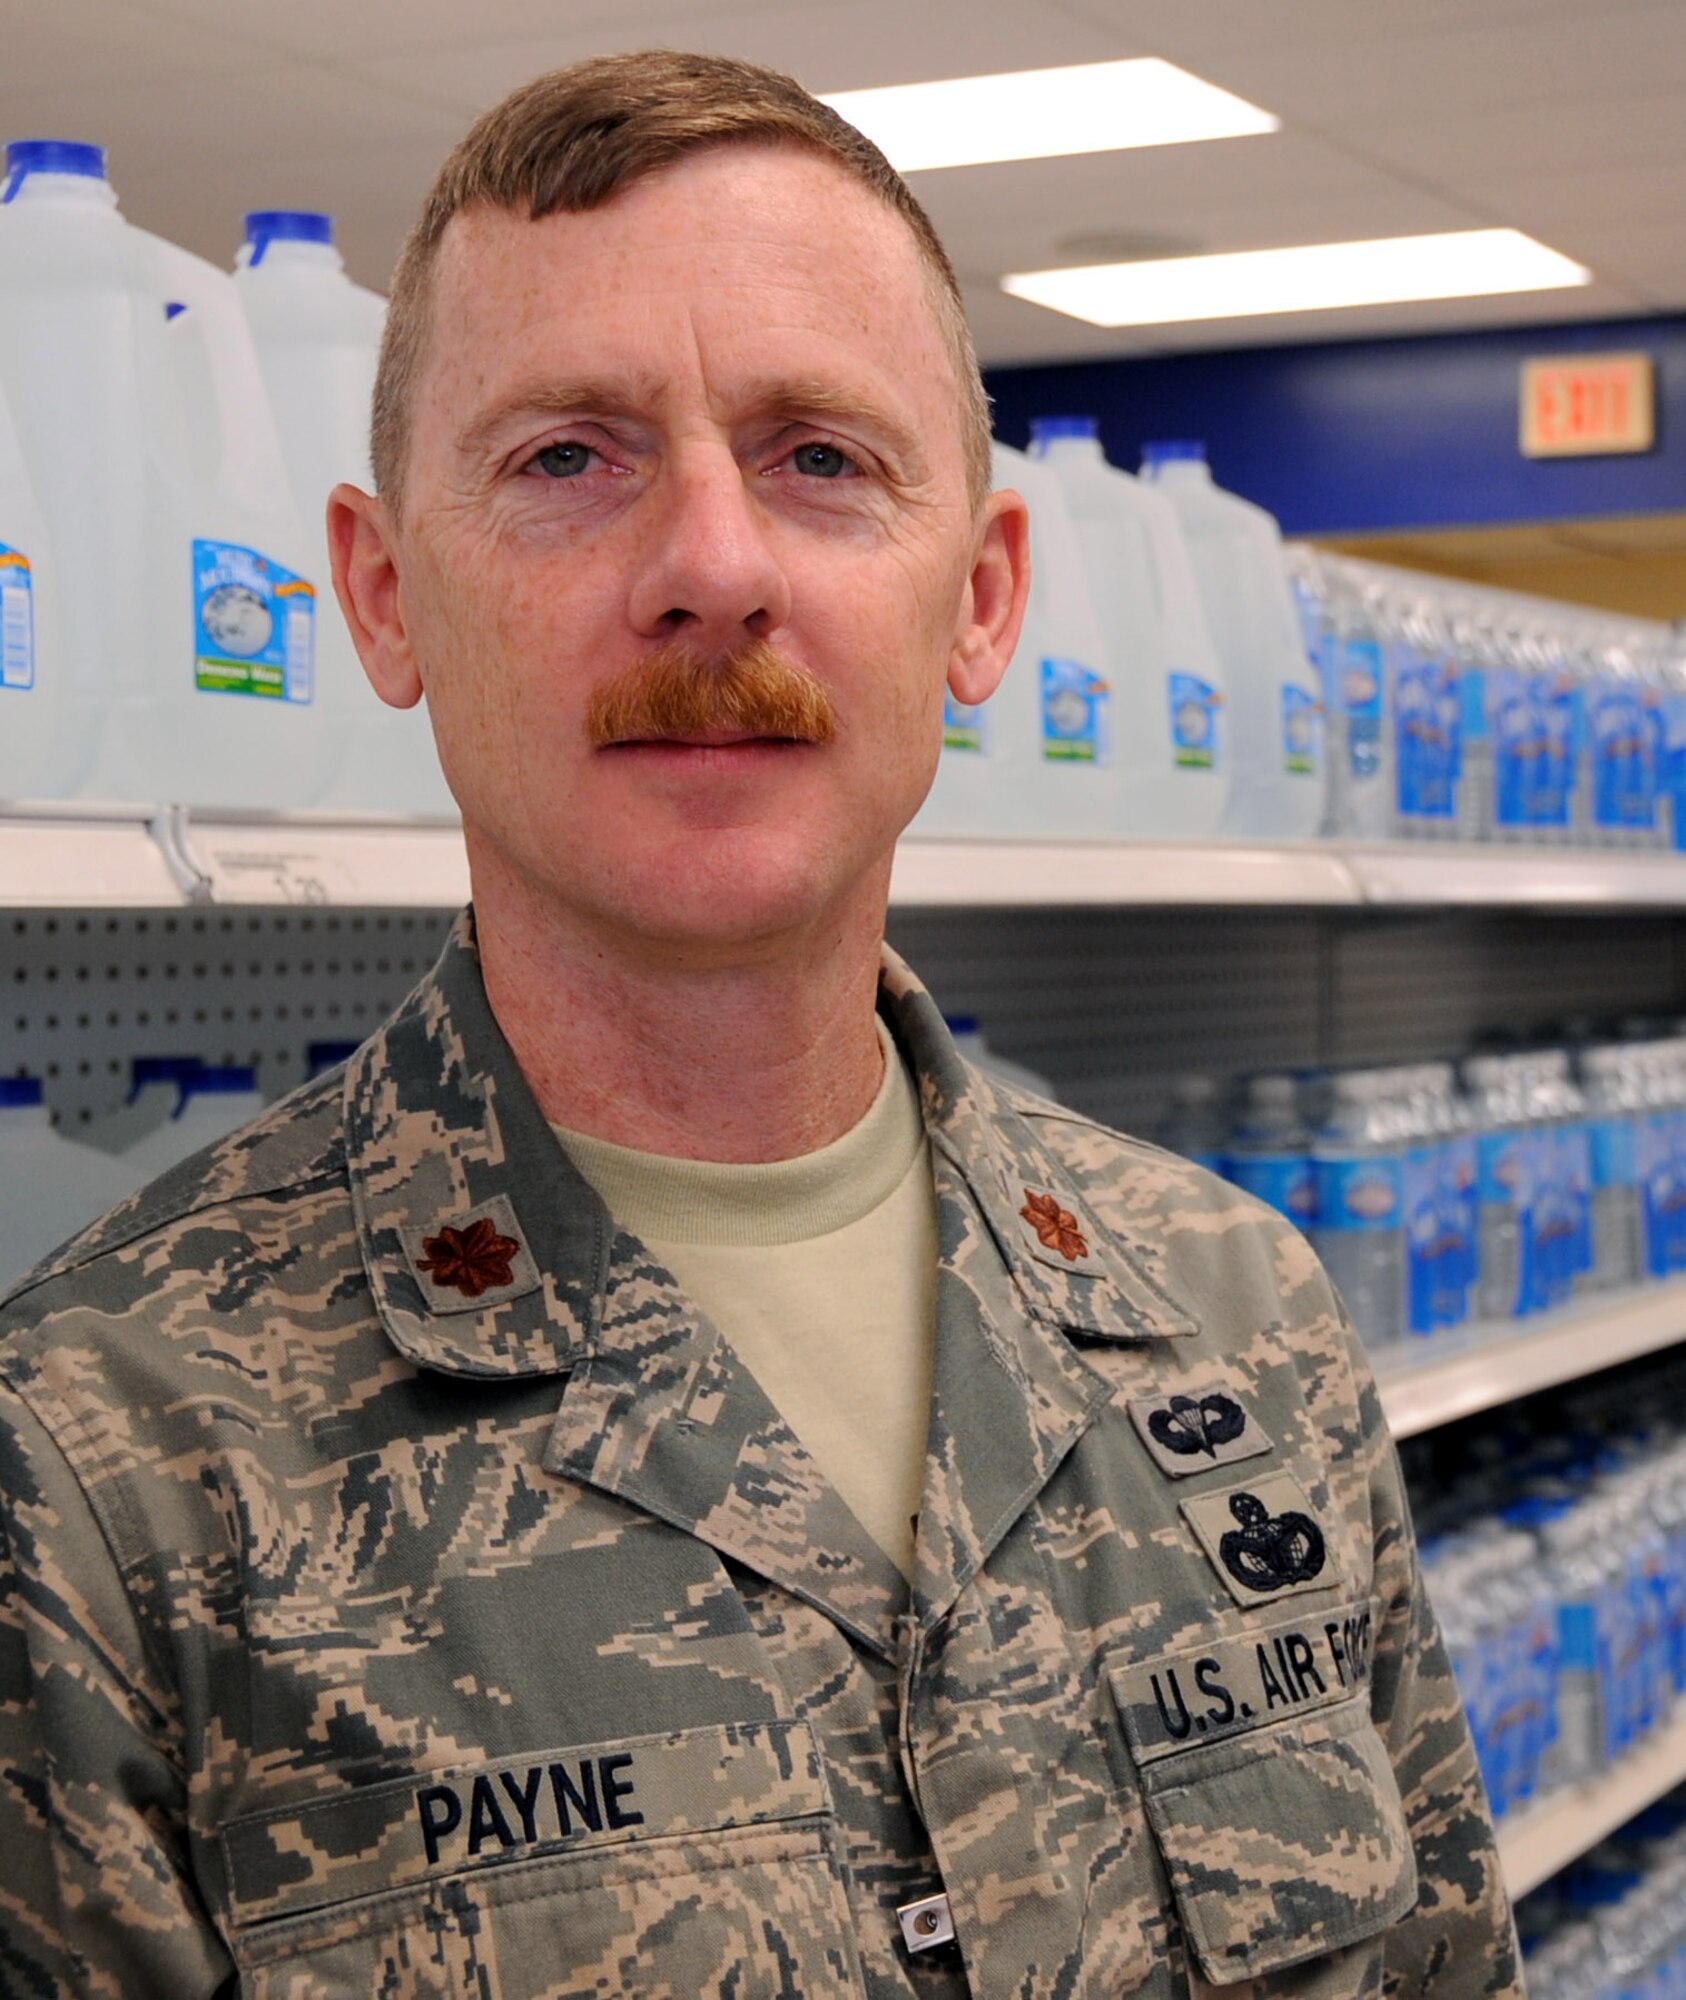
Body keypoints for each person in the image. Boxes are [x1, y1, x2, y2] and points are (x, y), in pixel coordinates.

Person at [0, 49, 1518, 1999]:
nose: (712, 568)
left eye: (819, 456)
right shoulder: (99, 1471)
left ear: (979, 603)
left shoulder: (1239, 1320)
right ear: (384, 598)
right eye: (568, 457)